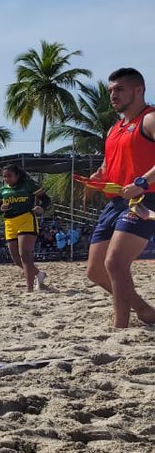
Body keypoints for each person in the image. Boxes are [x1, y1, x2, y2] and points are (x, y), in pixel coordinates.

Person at [84, 67, 155, 328]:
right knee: (95, 271)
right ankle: (144, 309)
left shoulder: (150, 119)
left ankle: (120, 328)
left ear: (139, 89)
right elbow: (108, 165)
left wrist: (141, 182)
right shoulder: (114, 129)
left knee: (115, 263)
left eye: (119, 89)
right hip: (115, 201)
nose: (113, 95)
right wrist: (96, 177)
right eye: (111, 90)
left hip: (146, 199)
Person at [0, 163, 50, 293]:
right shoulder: (2, 190)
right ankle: (39, 274)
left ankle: (29, 289)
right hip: (9, 222)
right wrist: (1, 209)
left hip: (26, 219)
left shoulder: (29, 185)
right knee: (16, 259)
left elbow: (46, 200)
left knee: (24, 255)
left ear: (17, 175)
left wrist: (42, 208)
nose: (6, 179)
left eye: (9, 176)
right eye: (4, 176)